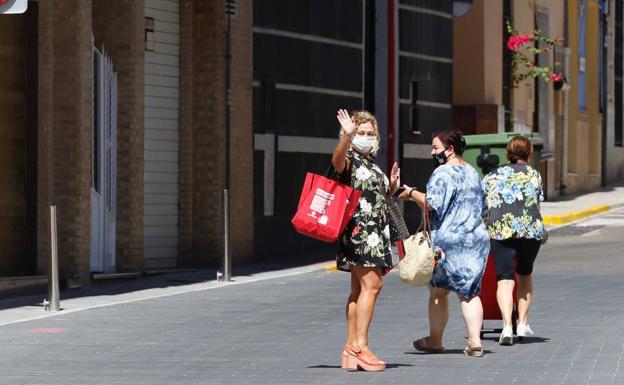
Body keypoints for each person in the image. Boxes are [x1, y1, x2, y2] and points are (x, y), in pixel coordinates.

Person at [399, 130, 490, 357]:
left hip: (448, 242)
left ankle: (435, 340)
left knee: (438, 293)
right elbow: (484, 208)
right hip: (476, 239)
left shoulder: (442, 173)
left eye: (436, 148)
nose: (433, 152)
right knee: (470, 293)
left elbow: (431, 204)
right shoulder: (472, 172)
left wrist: (410, 193)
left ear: (450, 149)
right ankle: (475, 340)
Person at [332, 109, 400, 372]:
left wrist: (391, 186)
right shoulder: (348, 158)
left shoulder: (371, 163)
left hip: (375, 234)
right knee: (373, 286)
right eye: (361, 133)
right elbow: (336, 162)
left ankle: (350, 348)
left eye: (370, 134)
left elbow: (378, 198)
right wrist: (346, 139)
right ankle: (361, 346)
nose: (366, 137)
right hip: (360, 234)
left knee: (359, 290)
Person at [482, 136, 545, 345]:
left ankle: (507, 326)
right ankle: (523, 323)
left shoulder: (492, 176)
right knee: (525, 274)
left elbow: (484, 206)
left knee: (505, 279)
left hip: (502, 231)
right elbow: (537, 202)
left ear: (508, 153)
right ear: (529, 153)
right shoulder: (535, 175)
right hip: (529, 231)